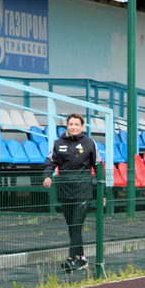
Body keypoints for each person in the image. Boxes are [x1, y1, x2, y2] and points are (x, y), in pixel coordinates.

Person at [42, 113, 100, 272]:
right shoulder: (58, 143)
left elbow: (99, 167)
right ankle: (81, 258)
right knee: (72, 226)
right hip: (65, 191)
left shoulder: (89, 143)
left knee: (76, 224)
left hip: (83, 191)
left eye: (76, 124)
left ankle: (71, 258)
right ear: (67, 126)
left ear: (82, 127)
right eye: (71, 124)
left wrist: (104, 194)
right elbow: (50, 162)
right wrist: (47, 176)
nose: (73, 127)